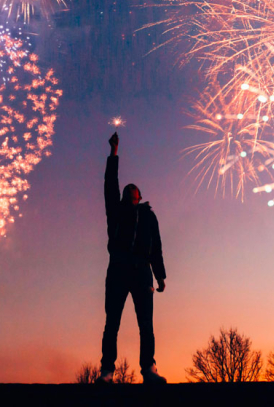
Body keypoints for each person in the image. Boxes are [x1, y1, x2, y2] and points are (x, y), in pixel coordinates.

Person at [96, 132, 167, 384]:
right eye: (126, 191)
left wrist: (160, 274)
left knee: (145, 324)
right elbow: (109, 184)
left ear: (139, 197)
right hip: (117, 269)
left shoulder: (148, 216)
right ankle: (107, 371)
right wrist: (114, 153)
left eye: (132, 191)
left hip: (141, 271)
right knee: (112, 322)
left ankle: (149, 368)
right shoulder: (115, 211)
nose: (128, 192)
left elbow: (156, 246)